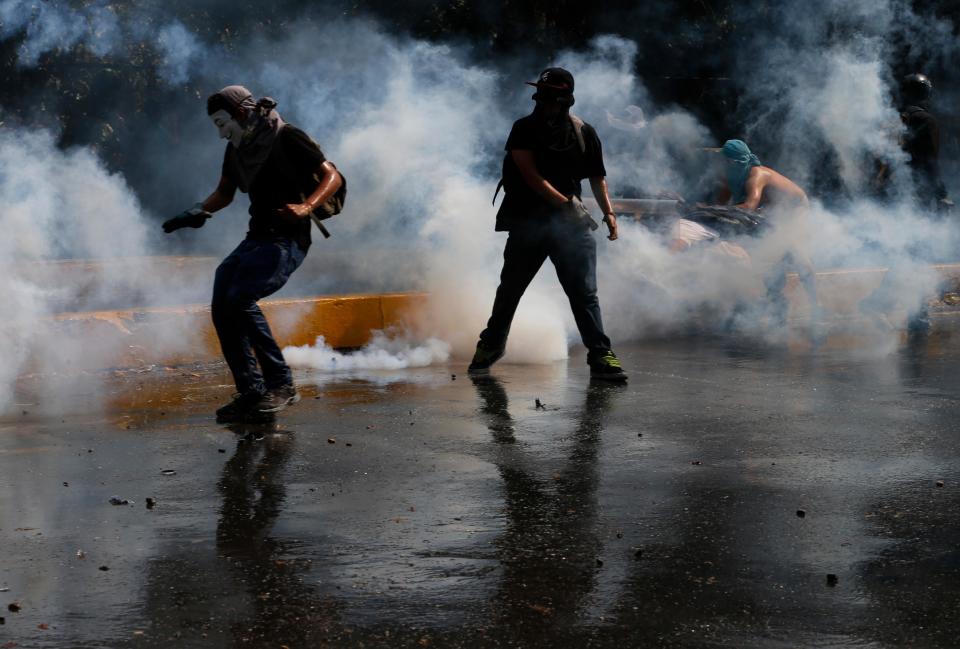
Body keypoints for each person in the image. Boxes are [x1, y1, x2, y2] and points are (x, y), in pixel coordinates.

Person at [162, 85, 342, 422]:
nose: (220, 133)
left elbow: (332, 176)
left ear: (241, 113)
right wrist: (197, 211)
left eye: (221, 123)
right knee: (222, 298)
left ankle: (281, 384)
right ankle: (252, 392)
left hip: (287, 239)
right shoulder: (237, 148)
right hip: (257, 237)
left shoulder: (286, 136)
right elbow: (224, 193)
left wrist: (306, 207)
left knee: (241, 299)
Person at [468, 68, 626, 381]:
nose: (542, 103)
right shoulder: (523, 129)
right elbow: (531, 175)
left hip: (570, 226)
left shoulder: (584, 132)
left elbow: (597, 176)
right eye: (540, 96)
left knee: (584, 293)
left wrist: (609, 213)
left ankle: (600, 353)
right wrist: (566, 205)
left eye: (550, 98)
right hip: (528, 222)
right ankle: (491, 344)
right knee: (511, 290)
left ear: (565, 100)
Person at [717, 139, 820, 326]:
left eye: (728, 160)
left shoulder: (757, 174)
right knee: (761, 248)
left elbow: (749, 205)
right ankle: (776, 299)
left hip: (794, 208)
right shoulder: (729, 175)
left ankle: (815, 307)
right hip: (768, 209)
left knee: (792, 248)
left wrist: (719, 210)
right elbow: (723, 204)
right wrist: (708, 209)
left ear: (736, 160)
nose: (724, 164)